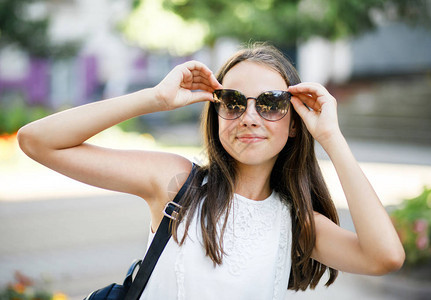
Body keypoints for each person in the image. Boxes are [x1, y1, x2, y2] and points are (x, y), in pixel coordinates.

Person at [17, 43, 405, 299]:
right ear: (216, 112)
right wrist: (155, 97)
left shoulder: (298, 221)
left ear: (293, 122)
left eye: (270, 103)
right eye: (233, 101)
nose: (250, 117)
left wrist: (331, 136)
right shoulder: (175, 183)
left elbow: (384, 257)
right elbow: (37, 140)